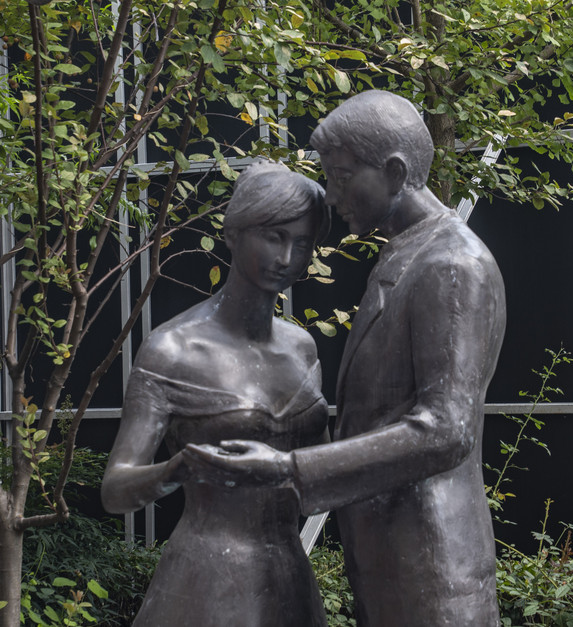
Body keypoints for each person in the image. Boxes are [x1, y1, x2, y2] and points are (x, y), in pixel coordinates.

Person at [206, 91, 507, 626]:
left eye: (342, 176)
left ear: (395, 173)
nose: (331, 194)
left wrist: (291, 470)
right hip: (393, 560)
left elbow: (447, 430)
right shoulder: (406, 254)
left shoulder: (451, 264)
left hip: (433, 566)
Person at [101, 160, 331, 627]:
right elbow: (115, 490)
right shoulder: (173, 350)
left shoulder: (302, 349)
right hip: (205, 581)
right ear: (232, 233)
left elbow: (323, 484)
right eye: (274, 236)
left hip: (290, 581)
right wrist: (176, 469)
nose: (287, 257)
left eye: (303, 243)